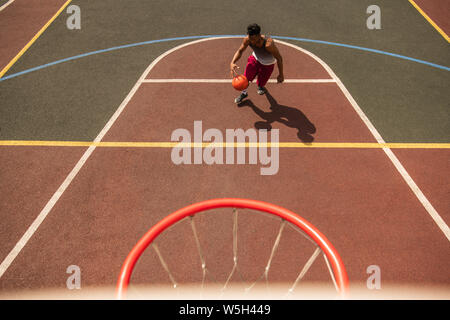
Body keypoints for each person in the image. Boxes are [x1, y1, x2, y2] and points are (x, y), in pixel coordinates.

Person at [230, 23, 284, 104]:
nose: (252, 41)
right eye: (250, 38)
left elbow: (279, 58)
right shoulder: (247, 39)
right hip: (255, 59)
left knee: (262, 82)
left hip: (268, 64)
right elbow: (240, 51)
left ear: (259, 35)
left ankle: (261, 86)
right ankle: (244, 93)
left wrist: (281, 74)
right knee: (246, 78)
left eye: (254, 39)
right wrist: (232, 62)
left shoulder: (268, 44)